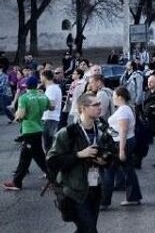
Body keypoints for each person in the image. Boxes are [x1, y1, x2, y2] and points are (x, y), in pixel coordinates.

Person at [46, 93, 114, 233]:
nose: (99, 107)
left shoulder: (102, 130)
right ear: (82, 108)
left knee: (87, 229)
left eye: (99, 104)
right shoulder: (67, 133)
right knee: (89, 229)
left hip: (95, 189)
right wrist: (78, 155)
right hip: (74, 191)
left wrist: (104, 161)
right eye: (95, 105)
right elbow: (52, 161)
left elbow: (112, 155)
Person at [3, 76, 50, 191]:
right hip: (39, 127)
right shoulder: (42, 95)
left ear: (26, 86)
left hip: (29, 129)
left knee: (29, 157)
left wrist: (16, 117)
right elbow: (51, 107)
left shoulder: (24, 97)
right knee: (35, 156)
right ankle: (17, 181)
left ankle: (17, 182)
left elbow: (21, 115)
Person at [100, 87, 142, 209]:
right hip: (125, 141)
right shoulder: (126, 108)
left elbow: (123, 130)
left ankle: (104, 201)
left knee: (109, 170)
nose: (112, 98)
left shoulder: (123, 111)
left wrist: (121, 150)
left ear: (120, 97)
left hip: (121, 143)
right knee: (128, 170)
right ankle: (133, 197)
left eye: (113, 96)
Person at [41, 69, 63, 151]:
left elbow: (52, 106)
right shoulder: (54, 88)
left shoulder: (51, 89)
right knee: (49, 144)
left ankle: (50, 161)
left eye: (41, 76)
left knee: (48, 145)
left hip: (50, 118)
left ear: (44, 77)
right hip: (52, 118)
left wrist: (41, 105)